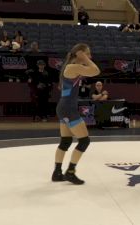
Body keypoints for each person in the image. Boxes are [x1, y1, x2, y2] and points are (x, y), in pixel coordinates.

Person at [53, 43, 101, 185]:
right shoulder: (73, 67)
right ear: (80, 53)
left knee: (66, 141)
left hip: (64, 107)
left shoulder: (71, 67)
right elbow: (96, 70)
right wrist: (84, 58)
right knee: (84, 141)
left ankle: (57, 172)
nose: (90, 56)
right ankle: (70, 172)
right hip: (68, 108)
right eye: (88, 53)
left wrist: (84, 57)